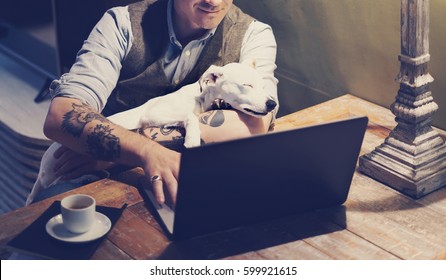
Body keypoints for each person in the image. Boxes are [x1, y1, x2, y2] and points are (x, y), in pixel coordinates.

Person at [38, 0, 278, 206]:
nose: (214, 1)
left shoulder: (253, 35)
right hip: (100, 173)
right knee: (53, 224)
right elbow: (61, 116)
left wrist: (117, 150)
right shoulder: (121, 23)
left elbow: (256, 124)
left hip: (181, 169)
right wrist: (144, 153)